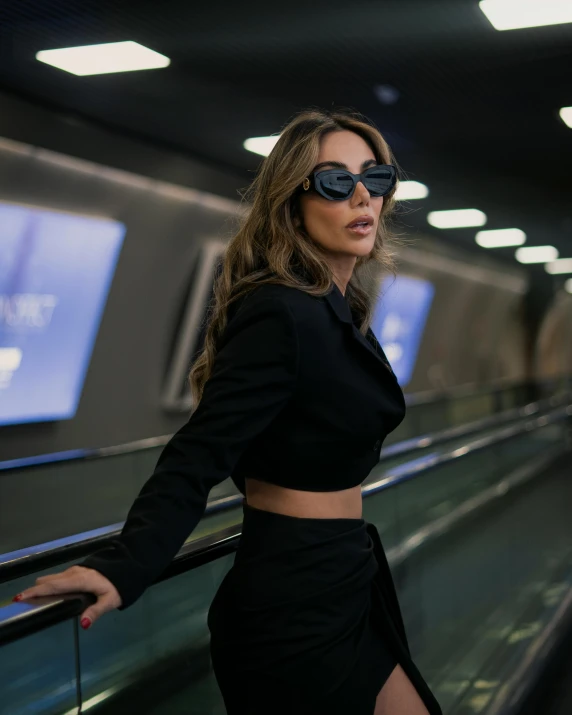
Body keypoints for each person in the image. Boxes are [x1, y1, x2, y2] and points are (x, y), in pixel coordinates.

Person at [14, 108, 442, 715]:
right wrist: (123, 567)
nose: (361, 198)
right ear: (293, 199)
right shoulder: (281, 313)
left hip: (345, 576)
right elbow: (198, 451)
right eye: (335, 182)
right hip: (291, 598)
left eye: (374, 179)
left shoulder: (341, 311)